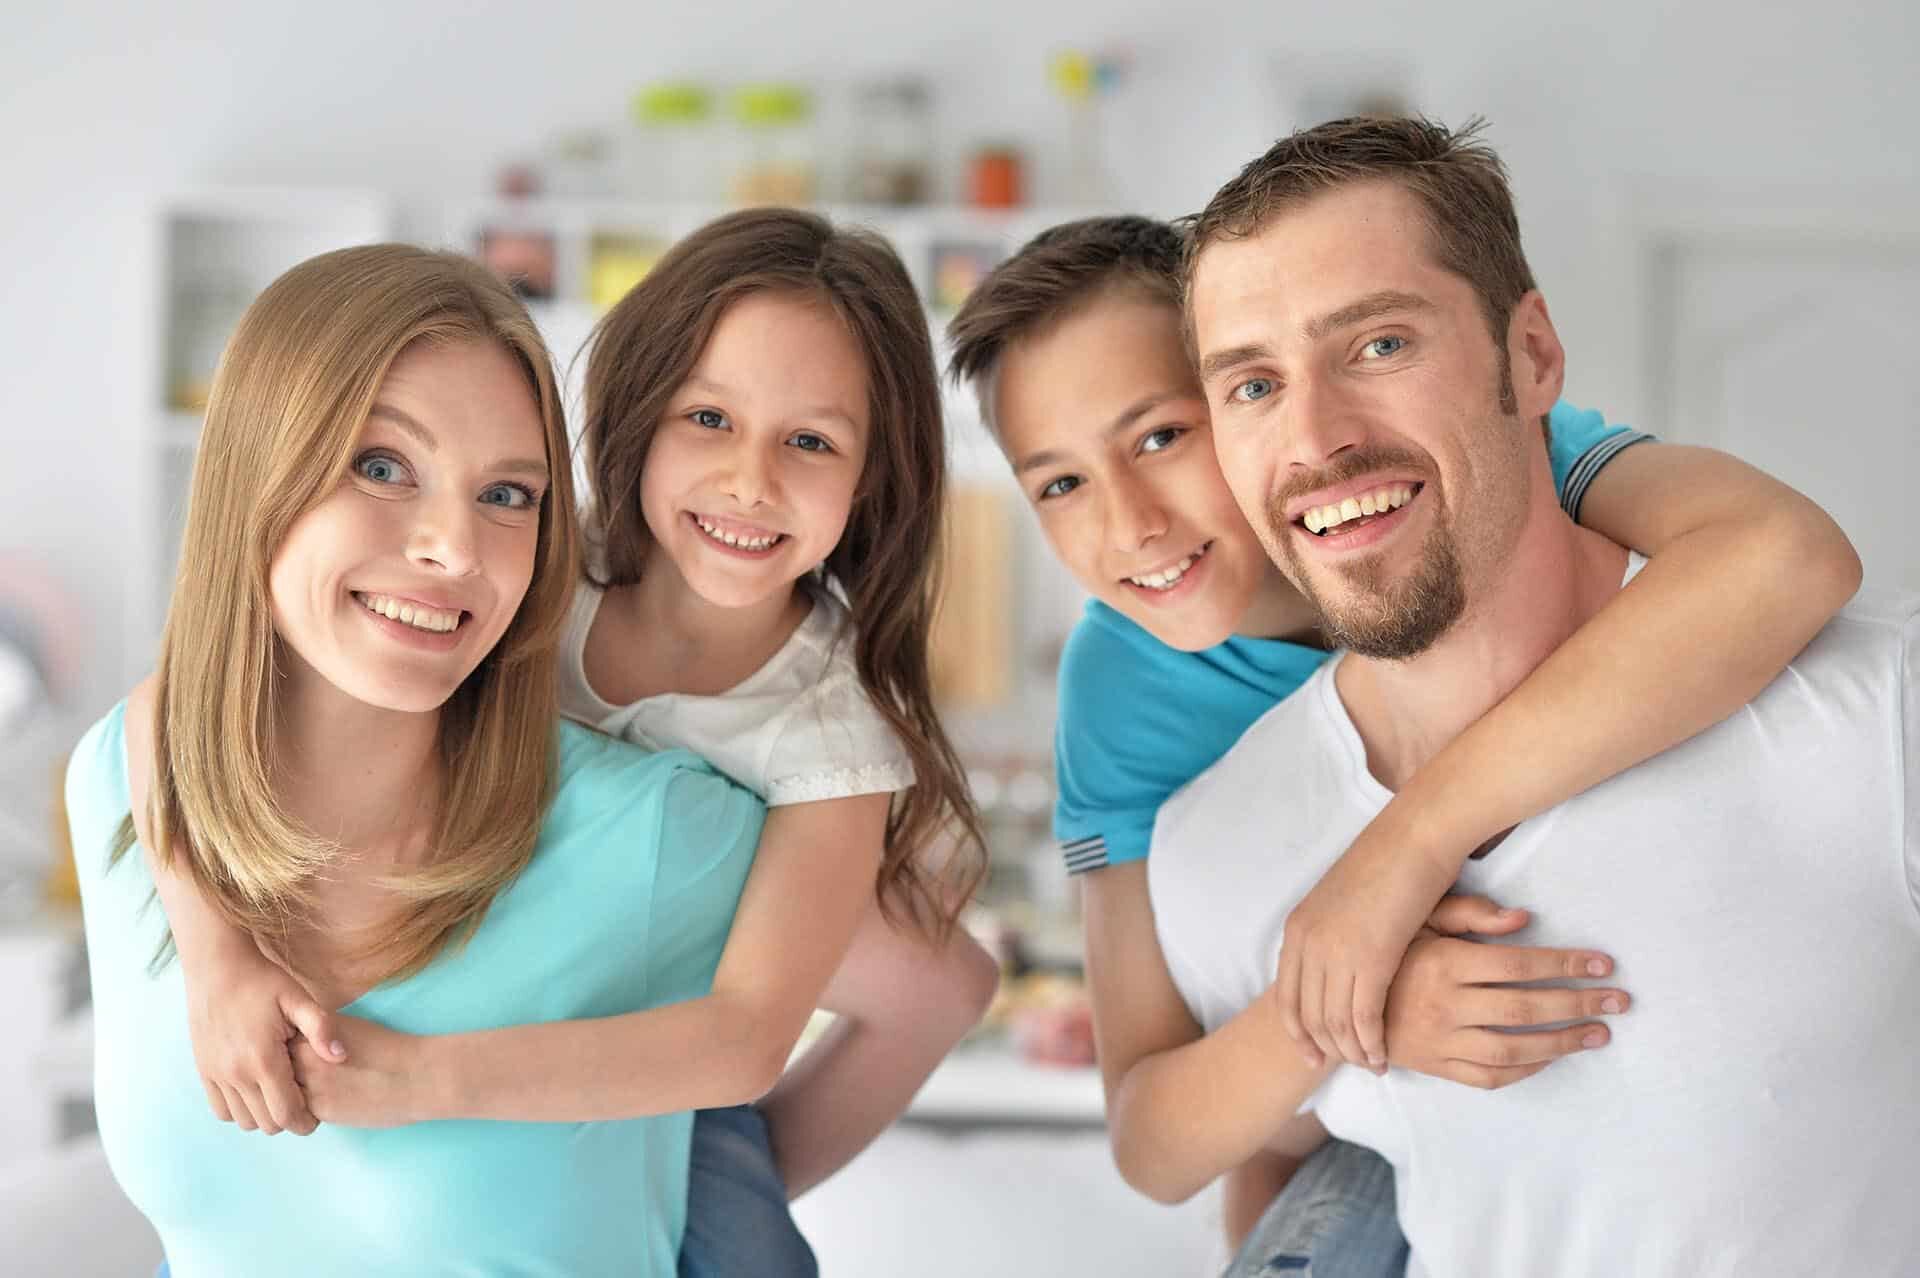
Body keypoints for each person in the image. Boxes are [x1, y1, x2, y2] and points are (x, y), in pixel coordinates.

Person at [945, 212, 1861, 1270]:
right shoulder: (1120, 688)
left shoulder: (1492, 471)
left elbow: (1784, 556)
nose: (1129, 525)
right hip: (1343, 1143)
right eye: (1059, 483)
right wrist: (1353, 1006)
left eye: (1160, 436)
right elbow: (1158, 1136)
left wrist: (1402, 850)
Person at [141, 210, 1000, 1278]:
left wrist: (703, 1169)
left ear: (875, 479)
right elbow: (174, 708)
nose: (750, 482)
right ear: (640, 415)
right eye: (709, 418)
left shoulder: (831, 731)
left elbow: (743, 1040)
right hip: (502, 968)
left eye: (812, 442)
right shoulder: (539, 571)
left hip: (663, 1047)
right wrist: (217, 956)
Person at [1159, 113, 1919, 1275]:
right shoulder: (1215, 845)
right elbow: (1280, 1183)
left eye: (1377, 347)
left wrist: (1411, 841)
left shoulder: (1873, 723)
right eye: (1254, 384)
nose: (1315, 437)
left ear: (1534, 359)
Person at [68, 243, 763, 1275]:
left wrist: (727, 1201)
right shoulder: (120, 781)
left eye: (509, 496)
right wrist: (215, 952)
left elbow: (929, 992)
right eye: (382, 466)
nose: (456, 548)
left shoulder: (656, 832)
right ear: (257, 471)